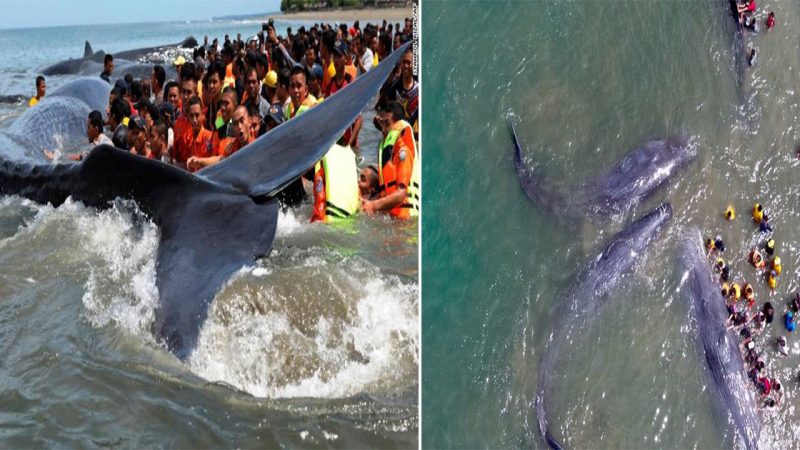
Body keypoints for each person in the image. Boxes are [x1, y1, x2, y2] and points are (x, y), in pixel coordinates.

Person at [363, 101, 419, 219]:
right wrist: (366, 201)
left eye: (387, 123)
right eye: (382, 124)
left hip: (408, 221)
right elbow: (388, 191)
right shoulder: (391, 156)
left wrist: (374, 205)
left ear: (397, 124)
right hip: (398, 222)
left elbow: (401, 195)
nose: (383, 130)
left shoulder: (403, 151)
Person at [178, 95, 213, 172]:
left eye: (197, 115)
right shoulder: (187, 139)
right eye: (191, 116)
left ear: (203, 115)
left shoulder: (210, 137)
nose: (194, 120)